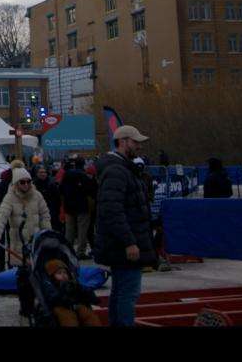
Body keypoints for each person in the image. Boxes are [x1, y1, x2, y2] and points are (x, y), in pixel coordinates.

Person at [95, 125, 157, 328]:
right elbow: (112, 210)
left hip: (122, 244)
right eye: (135, 141)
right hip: (124, 246)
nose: (139, 146)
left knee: (121, 291)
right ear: (122, 142)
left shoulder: (122, 168)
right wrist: (129, 241)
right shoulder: (117, 171)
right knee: (127, 294)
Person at [0, 167, 51, 317]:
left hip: (37, 243)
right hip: (19, 245)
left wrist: (48, 234)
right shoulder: (9, 197)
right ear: (16, 183)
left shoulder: (37, 196)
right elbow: (1, 217)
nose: (25, 185)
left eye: (28, 182)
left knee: (39, 275)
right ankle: (26, 308)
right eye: (22, 182)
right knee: (24, 278)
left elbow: (45, 216)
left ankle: (40, 306)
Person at [44, 259, 101, 326]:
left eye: (65, 272)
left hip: (76, 305)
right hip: (61, 307)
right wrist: (63, 291)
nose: (63, 275)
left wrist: (79, 289)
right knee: (68, 318)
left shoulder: (73, 283)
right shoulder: (50, 286)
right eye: (59, 273)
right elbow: (53, 298)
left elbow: (88, 293)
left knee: (89, 315)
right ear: (52, 276)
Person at [60, 157, 96, 259]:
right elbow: (90, 190)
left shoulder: (66, 174)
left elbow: (61, 189)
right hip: (82, 206)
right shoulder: (83, 175)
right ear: (83, 164)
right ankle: (80, 252)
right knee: (82, 230)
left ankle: (67, 251)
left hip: (68, 206)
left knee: (69, 230)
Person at [32, 165, 62, 234]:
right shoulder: (33, 184)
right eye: (41, 172)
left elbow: (57, 199)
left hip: (51, 212)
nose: (43, 174)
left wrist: (56, 211)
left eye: (44, 172)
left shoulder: (51, 184)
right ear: (37, 174)